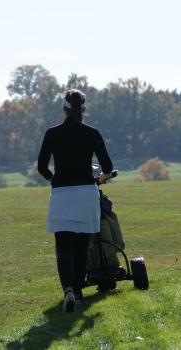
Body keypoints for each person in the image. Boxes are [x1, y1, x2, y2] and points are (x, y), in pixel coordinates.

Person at [38, 89, 113, 312]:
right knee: (81, 247)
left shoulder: (52, 133)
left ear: (64, 108)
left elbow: (42, 167)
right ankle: (78, 294)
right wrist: (100, 178)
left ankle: (68, 290)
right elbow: (107, 167)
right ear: (84, 109)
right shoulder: (92, 133)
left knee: (63, 247)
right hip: (86, 194)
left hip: (62, 194)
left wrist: (54, 179)